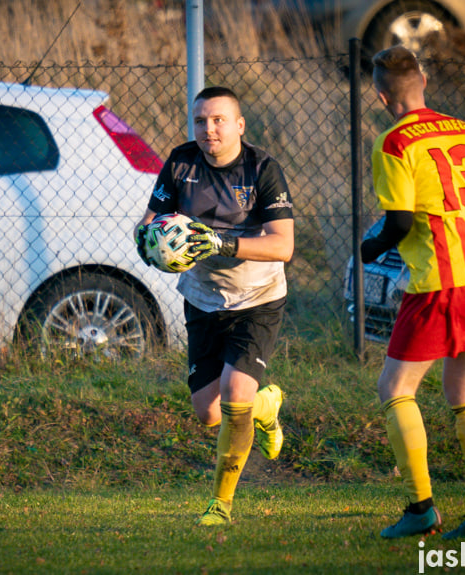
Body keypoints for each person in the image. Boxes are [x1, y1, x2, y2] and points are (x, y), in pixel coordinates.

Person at [362, 46, 465, 539]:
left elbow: (400, 221)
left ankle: (421, 509)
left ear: (379, 93)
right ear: (424, 79)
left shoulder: (394, 144)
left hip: (441, 280)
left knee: (394, 389)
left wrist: (371, 247)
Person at [134, 86, 295, 526]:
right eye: (201, 121)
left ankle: (220, 505)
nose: (210, 130)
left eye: (219, 120)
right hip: (203, 298)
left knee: (235, 397)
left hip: (257, 297)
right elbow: (151, 222)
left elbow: (284, 246)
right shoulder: (181, 161)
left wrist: (222, 243)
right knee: (208, 412)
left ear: (240, 125)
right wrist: (149, 242)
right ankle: (268, 406)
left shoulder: (263, 169)